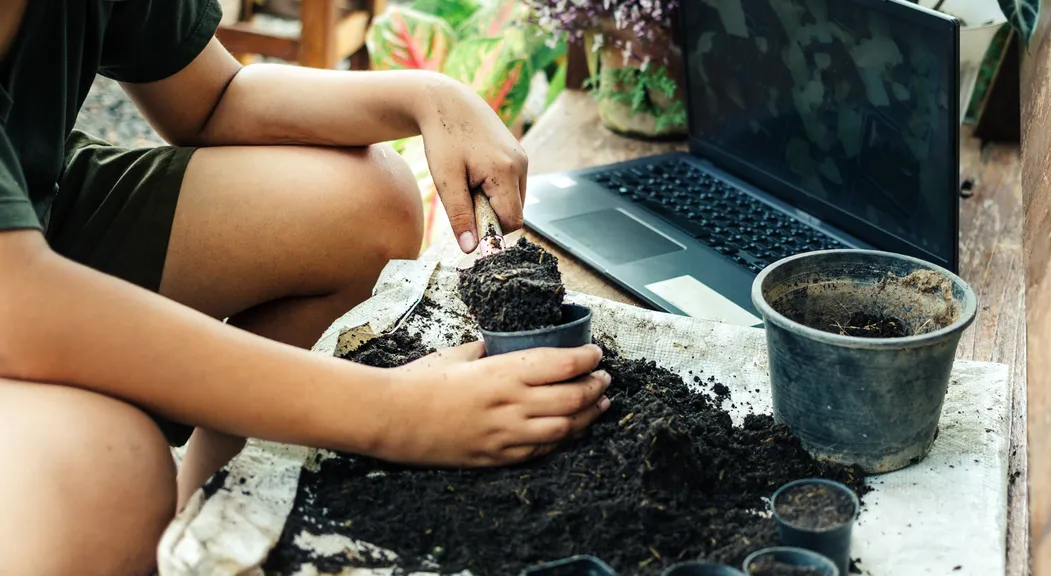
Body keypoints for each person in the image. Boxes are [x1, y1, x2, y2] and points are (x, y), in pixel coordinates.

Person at [0, 2, 612, 574]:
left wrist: (427, 97)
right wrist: (397, 412)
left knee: (367, 202)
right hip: (18, 285)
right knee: (102, 475)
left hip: (32, 214)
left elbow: (213, 99)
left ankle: (211, 525)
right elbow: (24, 308)